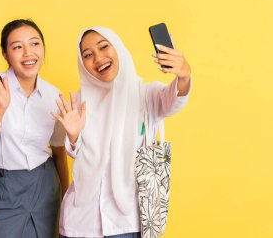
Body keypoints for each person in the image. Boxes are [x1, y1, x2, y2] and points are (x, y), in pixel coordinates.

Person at [53, 27, 191, 238]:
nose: (98, 58)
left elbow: (174, 100)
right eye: (88, 55)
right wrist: (72, 136)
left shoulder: (146, 94)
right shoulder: (80, 101)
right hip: (81, 222)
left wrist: (184, 74)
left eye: (104, 47)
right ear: (82, 63)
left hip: (127, 223)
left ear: (118, 48)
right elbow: (76, 153)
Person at [0, 19, 69, 238]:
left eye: (34, 44)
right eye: (17, 47)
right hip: (3, 188)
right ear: (5, 54)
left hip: (46, 186)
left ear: (43, 48)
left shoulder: (54, 96)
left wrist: (66, 201)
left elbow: (59, 154)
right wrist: (0, 109)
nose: (28, 53)